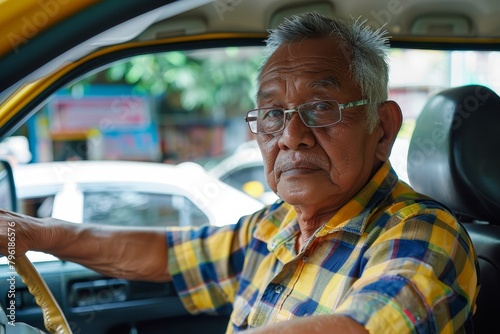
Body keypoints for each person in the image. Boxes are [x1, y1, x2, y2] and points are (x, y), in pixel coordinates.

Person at [0, 12, 479, 333]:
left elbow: (364, 326)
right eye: (273, 114)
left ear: (382, 128)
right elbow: (168, 255)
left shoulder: (423, 232)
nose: (291, 136)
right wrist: (32, 233)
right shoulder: (275, 226)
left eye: (322, 106)